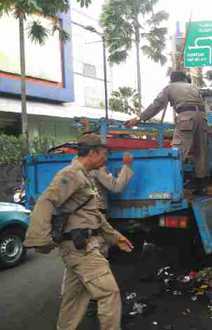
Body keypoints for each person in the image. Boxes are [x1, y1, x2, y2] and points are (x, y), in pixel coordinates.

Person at [23, 134, 133, 330]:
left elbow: (94, 215)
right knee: (109, 293)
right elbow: (46, 201)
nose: (106, 159)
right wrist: (39, 239)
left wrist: (115, 237)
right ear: (92, 153)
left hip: (77, 247)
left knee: (74, 301)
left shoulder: (84, 175)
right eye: (104, 155)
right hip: (81, 250)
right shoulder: (71, 174)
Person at [124, 71, 211, 195]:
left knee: (177, 152)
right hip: (203, 119)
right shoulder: (194, 87)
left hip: (186, 117)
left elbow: (157, 105)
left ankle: (173, 185)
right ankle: (202, 188)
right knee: (201, 153)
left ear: (172, 80)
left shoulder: (170, 87)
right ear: (184, 79)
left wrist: (139, 118)